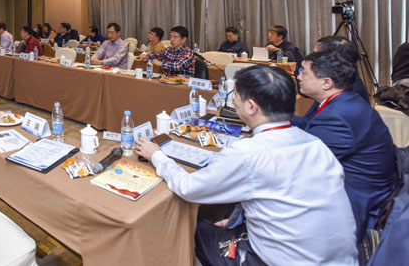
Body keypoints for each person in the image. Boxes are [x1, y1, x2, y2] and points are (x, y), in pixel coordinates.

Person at [135, 64, 358, 265]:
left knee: (187, 227)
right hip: (339, 257)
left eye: (236, 96)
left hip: (281, 259)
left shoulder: (247, 153)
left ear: (251, 107)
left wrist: (157, 155)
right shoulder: (315, 144)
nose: (233, 102)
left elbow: (189, 188)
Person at [294, 50, 396, 242]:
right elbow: (309, 127)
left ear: (326, 83)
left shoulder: (337, 117)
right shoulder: (345, 101)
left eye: (304, 72)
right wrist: (274, 119)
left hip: (357, 205)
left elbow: (303, 166)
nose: (298, 77)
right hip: (369, 190)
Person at [311, 36, 369, 102]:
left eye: (315, 55)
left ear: (334, 61)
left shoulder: (348, 94)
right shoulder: (340, 79)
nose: (311, 59)